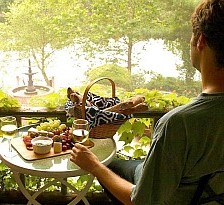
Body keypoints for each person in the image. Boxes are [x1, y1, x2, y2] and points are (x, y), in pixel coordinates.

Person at [70, 0, 224, 204]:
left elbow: (141, 202)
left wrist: (94, 166)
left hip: (173, 198)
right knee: (126, 166)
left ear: (201, 41)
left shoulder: (179, 124)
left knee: (109, 167)